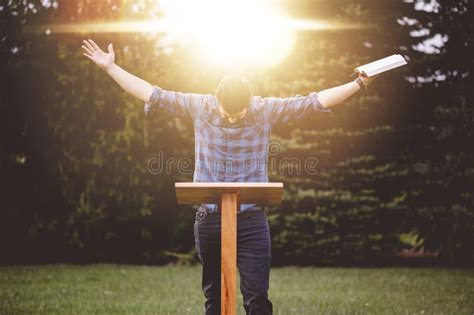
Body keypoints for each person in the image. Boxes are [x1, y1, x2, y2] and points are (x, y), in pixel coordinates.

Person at [82, 39, 375, 315]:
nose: (233, 119)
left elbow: (315, 101)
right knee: (215, 297)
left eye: (239, 113)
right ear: (216, 99)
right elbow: (152, 93)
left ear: (250, 101)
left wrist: (358, 83)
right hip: (209, 219)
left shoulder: (264, 109)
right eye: (227, 113)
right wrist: (110, 67)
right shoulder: (200, 106)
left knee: (257, 296)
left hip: (251, 221)